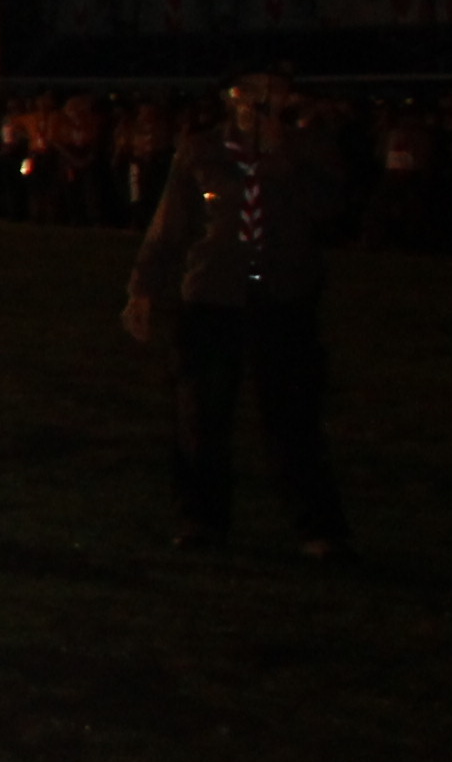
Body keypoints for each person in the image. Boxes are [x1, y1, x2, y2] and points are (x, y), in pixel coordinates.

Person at [127, 65, 350, 561]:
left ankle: (318, 527)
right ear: (230, 97)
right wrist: (144, 289)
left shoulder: (309, 147)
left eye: (271, 90)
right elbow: (172, 224)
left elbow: (330, 211)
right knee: (200, 415)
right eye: (248, 90)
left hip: (283, 296)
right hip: (213, 296)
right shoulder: (202, 149)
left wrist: (282, 155)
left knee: (293, 417)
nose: (258, 100)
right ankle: (200, 519)